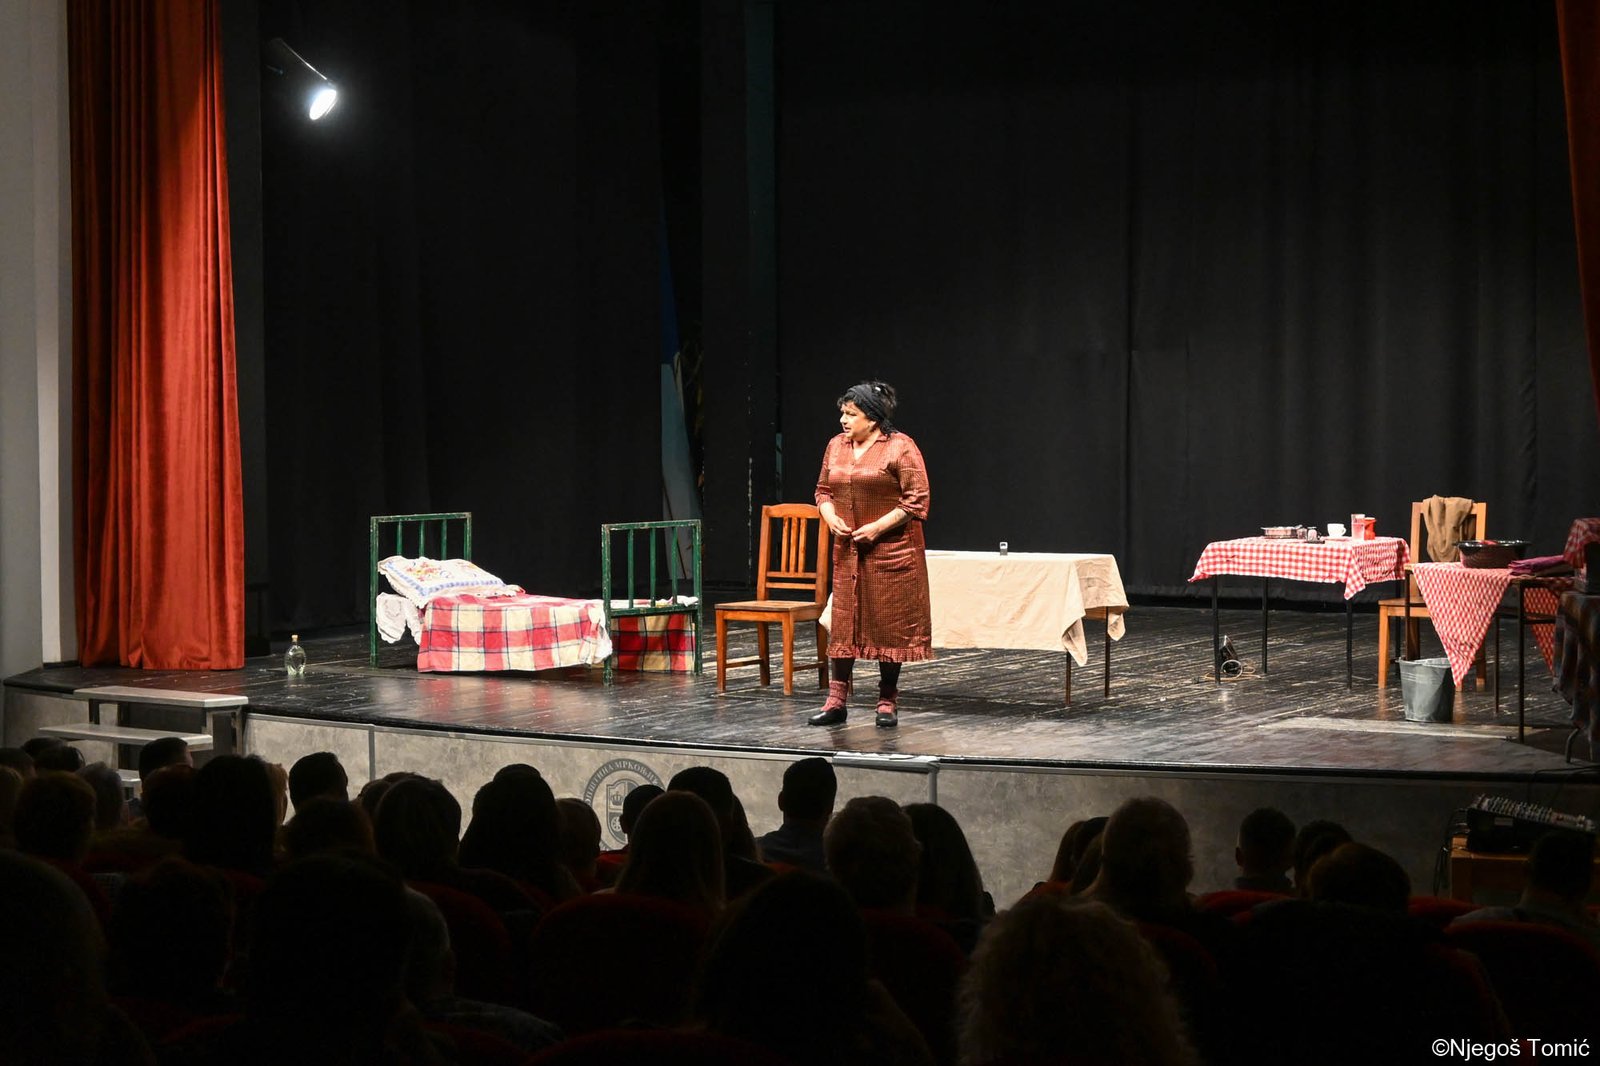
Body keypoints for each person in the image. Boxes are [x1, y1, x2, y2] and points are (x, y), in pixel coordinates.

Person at [811, 380, 933, 729]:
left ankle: (887, 700)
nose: (844, 421)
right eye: (843, 413)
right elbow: (822, 490)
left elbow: (916, 499)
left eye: (851, 414)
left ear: (873, 418)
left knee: (889, 624)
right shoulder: (836, 446)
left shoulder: (900, 447)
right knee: (844, 623)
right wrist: (830, 516)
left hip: (891, 551)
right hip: (848, 552)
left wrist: (877, 528)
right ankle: (836, 701)